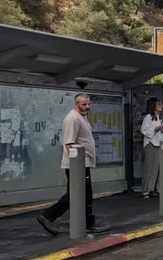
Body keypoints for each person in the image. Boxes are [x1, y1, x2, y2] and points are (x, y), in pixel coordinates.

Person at [37, 94, 110, 235]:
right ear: (76, 104)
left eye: (88, 104)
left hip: (83, 162)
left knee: (85, 194)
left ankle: (87, 222)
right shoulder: (73, 118)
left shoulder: (82, 117)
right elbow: (69, 143)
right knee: (76, 194)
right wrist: (77, 164)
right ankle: (48, 216)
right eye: (84, 104)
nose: (87, 107)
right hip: (77, 164)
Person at [140, 97, 163, 197]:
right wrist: (156, 129)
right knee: (149, 167)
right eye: (158, 104)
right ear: (153, 106)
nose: (160, 106)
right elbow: (144, 130)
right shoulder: (148, 117)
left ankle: (154, 188)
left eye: (161, 104)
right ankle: (146, 189)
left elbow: (161, 133)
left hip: (159, 143)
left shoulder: (159, 118)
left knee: (157, 167)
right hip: (150, 144)